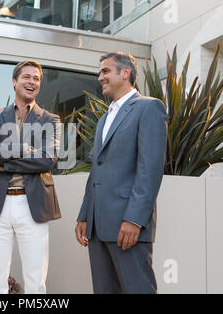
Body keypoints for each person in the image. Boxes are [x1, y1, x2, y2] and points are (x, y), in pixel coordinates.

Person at [75, 52, 167, 294]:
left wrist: (135, 219)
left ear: (125, 72)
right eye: (99, 73)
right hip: (97, 226)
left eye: (105, 71)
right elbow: (97, 169)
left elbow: (150, 169)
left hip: (128, 227)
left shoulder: (149, 108)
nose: (100, 77)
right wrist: (85, 215)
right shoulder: (104, 119)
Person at [0, 60, 61, 294]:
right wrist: (27, 151)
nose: (32, 82)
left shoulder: (50, 120)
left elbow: (47, 159)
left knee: (36, 279)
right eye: (27, 77)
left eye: (36, 78)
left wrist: (2, 152)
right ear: (14, 81)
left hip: (33, 204)